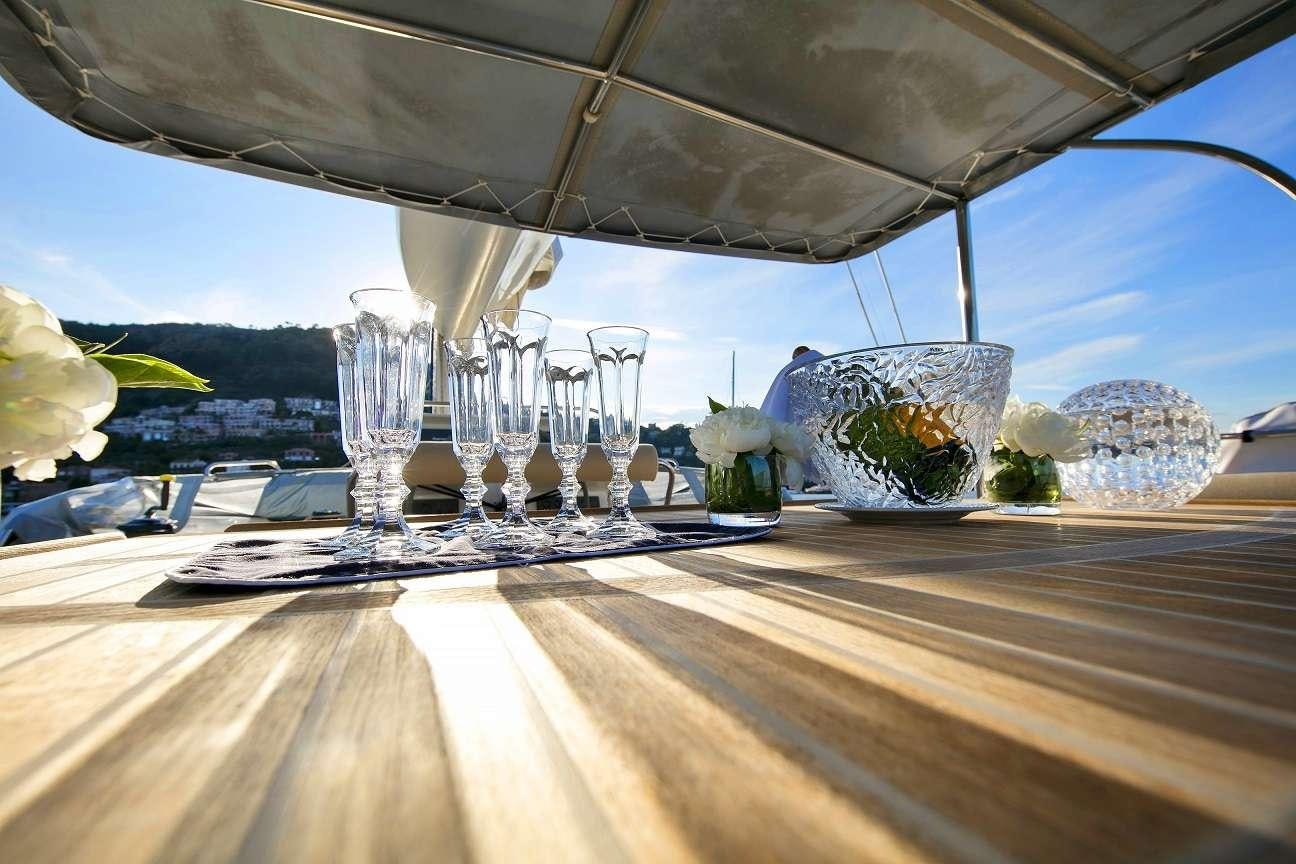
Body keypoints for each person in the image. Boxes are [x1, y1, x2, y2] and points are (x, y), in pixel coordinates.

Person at [759, 345, 825, 489]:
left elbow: (775, 412)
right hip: (805, 438)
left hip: (794, 440)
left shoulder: (786, 376)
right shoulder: (819, 373)